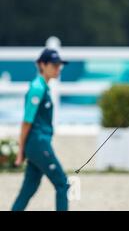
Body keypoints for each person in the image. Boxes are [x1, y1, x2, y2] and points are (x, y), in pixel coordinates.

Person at [11, 48, 70, 211]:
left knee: (28, 189)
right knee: (62, 183)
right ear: (42, 65)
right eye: (54, 65)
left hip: (38, 143)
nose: (58, 68)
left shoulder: (42, 87)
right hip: (38, 143)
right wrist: (20, 150)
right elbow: (26, 122)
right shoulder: (37, 88)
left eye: (59, 65)